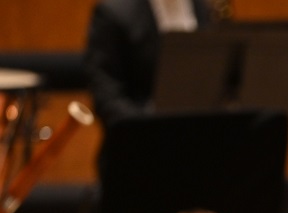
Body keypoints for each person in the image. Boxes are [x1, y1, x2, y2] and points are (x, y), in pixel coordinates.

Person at [84, 0, 213, 127]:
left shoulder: (202, 6)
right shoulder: (113, 13)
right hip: (142, 135)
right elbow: (106, 96)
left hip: (200, 130)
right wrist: (149, 128)